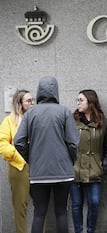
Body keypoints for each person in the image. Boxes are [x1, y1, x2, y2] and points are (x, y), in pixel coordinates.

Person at [14, 76, 80, 233]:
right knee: (61, 212)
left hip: (39, 174)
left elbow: (18, 142)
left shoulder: (30, 114)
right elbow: (73, 142)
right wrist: (69, 160)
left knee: (39, 214)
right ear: (56, 91)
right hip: (63, 173)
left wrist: (32, 158)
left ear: (39, 92)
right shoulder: (64, 111)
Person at [71, 89, 107, 233]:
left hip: (95, 171)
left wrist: (104, 166)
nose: (78, 103)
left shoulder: (103, 122)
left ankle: (91, 231)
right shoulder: (72, 121)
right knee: (76, 204)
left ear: (91, 102)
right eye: (77, 100)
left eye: (81, 100)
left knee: (94, 203)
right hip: (75, 170)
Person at [0, 89, 34, 233]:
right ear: (19, 103)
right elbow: (2, 143)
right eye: (28, 101)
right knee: (20, 207)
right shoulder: (9, 120)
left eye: (33, 100)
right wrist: (17, 155)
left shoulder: (36, 118)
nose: (32, 103)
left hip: (38, 166)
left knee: (41, 206)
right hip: (19, 167)